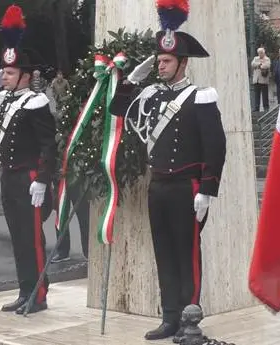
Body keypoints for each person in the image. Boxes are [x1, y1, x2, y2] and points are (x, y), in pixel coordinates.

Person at [109, 4, 226, 343]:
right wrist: (132, 80)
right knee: (163, 252)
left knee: (187, 253)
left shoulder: (201, 97)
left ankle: (190, 319)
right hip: (158, 186)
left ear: (183, 63)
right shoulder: (152, 96)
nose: (160, 66)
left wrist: (208, 189)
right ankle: (170, 318)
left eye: (166, 62)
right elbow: (118, 109)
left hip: (187, 188)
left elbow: (215, 147)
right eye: (159, 61)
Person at [0, 5, 57, 315]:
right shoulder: (6, 100)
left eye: (10, 73)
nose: (5, 77)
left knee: (33, 240)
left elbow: (48, 144)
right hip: (9, 178)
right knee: (18, 238)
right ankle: (24, 289)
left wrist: (42, 179)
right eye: (5, 72)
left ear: (25, 76)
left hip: (29, 179)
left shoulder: (36, 102)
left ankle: (38, 294)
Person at [251, 47, 271, 112]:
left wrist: (259, 66)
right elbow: (252, 64)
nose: (260, 54)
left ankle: (266, 108)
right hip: (256, 80)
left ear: (264, 53)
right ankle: (256, 108)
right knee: (256, 95)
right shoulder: (255, 58)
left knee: (265, 95)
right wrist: (260, 64)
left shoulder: (267, 59)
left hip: (264, 80)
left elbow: (267, 65)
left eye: (261, 53)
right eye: (259, 53)